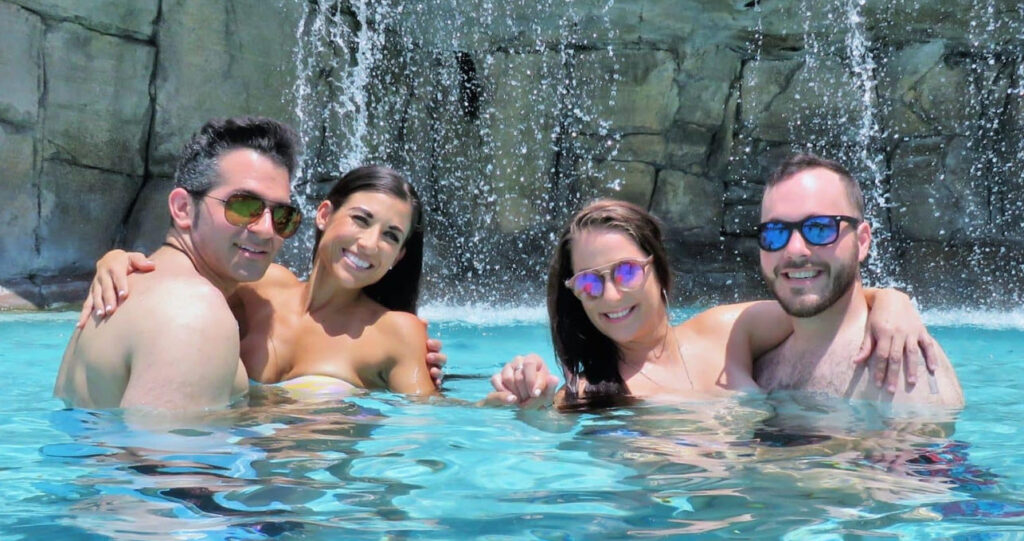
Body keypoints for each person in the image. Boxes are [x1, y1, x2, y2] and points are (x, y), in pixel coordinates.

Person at [486, 196, 944, 408]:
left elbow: (822, 305)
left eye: (626, 272)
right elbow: (495, 410)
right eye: (589, 283)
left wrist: (892, 301)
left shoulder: (730, 330)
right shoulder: (592, 393)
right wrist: (523, 389)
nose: (610, 294)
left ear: (658, 270)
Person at [80, 166, 438, 399]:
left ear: (399, 256)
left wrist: (493, 402)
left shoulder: (397, 333)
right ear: (324, 215)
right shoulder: (259, 288)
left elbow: (430, 429)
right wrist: (117, 260)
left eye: (391, 236)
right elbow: (183, 281)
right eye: (361, 220)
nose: (370, 244)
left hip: (314, 504)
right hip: (220, 475)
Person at [55, 116, 303, 410]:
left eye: (282, 216)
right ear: (183, 208)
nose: (266, 229)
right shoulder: (193, 312)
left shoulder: (135, 285)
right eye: (244, 206)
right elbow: (163, 456)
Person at [751, 154, 963, 405]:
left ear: (862, 242)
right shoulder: (753, 356)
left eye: (819, 228)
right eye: (775, 233)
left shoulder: (904, 373)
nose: (795, 249)